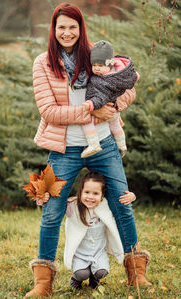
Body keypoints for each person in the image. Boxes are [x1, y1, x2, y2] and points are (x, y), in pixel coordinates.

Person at [25, 3, 151, 298]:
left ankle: (136, 273)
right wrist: (94, 112)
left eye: (72, 26)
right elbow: (49, 111)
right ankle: (43, 282)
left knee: (122, 203)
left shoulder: (98, 53)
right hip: (63, 148)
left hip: (104, 145)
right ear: (53, 31)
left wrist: (115, 106)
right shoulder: (42, 63)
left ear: (80, 28)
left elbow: (128, 84)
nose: (67, 33)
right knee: (52, 210)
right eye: (61, 27)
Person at [64, 171, 136, 290]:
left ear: (102, 195)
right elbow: (54, 206)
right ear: (80, 191)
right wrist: (42, 199)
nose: (90, 197)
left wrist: (132, 196)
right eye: (87, 192)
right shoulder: (72, 206)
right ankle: (76, 279)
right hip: (80, 253)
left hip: (98, 252)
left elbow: (122, 203)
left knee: (102, 272)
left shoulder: (106, 205)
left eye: (96, 193)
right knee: (81, 274)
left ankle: (94, 277)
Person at [81, 40, 139, 158]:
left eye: (100, 66)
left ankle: (93, 144)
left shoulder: (103, 81)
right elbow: (134, 77)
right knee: (115, 125)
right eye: (94, 65)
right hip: (114, 111)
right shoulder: (119, 75)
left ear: (109, 65)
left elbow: (101, 97)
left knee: (86, 122)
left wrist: (90, 104)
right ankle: (122, 145)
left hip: (104, 107)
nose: (96, 69)